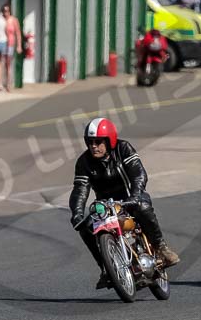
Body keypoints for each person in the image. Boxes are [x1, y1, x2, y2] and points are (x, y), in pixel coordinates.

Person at [69, 118, 180, 289]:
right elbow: (80, 190)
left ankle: (161, 248)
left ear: (109, 140)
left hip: (131, 197)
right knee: (84, 227)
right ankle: (105, 268)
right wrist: (76, 212)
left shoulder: (123, 148)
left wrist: (136, 196)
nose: (94, 146)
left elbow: (139, 173)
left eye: (98, 142)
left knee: (143, 207)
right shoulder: (83, 162)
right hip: (106, 206)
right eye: (90, 142)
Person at [1, 2, 22, 92]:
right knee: (2, 64)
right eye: (4, 11)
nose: (6, 13)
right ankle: (1, 83)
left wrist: (19, 46)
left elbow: (18, 33)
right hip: (2, 44)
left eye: (7, 11)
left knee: (8, 64)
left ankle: (9, 84)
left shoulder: (13, 20)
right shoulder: (1, 20)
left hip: (10, 44)